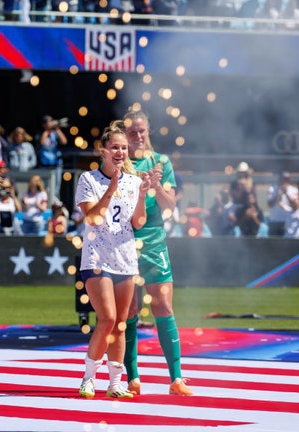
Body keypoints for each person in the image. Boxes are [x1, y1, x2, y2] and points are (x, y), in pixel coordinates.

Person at [122, 107, 193, 396]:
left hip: (153, 241)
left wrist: (155, 185)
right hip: (123, 241)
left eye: (141, 130)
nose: (137, 136)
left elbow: (170, 205)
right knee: (130, 311)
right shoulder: (121, 160)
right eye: (131, 132)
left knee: (163, 305)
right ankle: (132, 378)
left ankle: (176, 377)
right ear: (125, 134)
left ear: (148, 131)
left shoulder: (161, 161)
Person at [76, 120, 149, 400]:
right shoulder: (89, 179)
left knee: (120, 322)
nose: (119, 152)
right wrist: (111, 188)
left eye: (123, 148)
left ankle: (116, 383)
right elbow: (93, 217)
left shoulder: (134, 182)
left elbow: (139, 222)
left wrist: (141, 195)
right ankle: (88, 378)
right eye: (114, 148)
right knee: (106, 319)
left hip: (125, 258)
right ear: (102, 151)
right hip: (97, 257)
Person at [266, 172, 299, 238]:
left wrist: (286, 194)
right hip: (274, 221)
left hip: (287, 222)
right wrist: (278, 195)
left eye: (286, 179)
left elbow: (296, 206)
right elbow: (269, 204)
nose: (284, 181)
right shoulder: (272, 189)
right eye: (283, 179)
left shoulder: (294, 190)